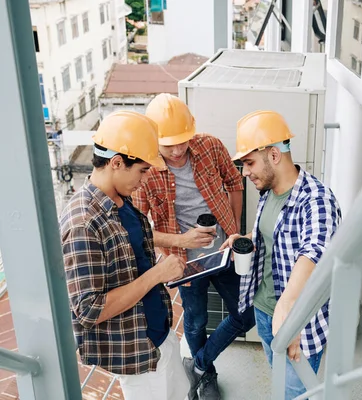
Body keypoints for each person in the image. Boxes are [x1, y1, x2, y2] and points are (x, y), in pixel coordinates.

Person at [131, 93, 255, 400]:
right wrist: (181, 241)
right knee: (196, 320)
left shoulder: (210, 146)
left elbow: (235, 183)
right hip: (185, 263)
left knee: (247, 312)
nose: (175, 151)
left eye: (182, 141)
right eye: (167, 144)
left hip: (225, 252)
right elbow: (140, 227)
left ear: (193, 130)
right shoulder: (145, 172)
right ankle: (207, 376)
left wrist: (235, 230)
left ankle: (198, 365)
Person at [60, 111, 188, 400]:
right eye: (142, 170)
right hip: (137, 358)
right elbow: (90, 309)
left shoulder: (119, 200)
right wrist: (157, 274)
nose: (144, 180)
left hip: (157, 335)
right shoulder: (83, 222)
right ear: (116, 162)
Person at [221, 110, 342, 400]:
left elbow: (314, 251)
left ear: (274, 155)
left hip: (297, 320)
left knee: (293, 394)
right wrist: (247, 238)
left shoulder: (317, 200)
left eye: (249, 163)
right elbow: (276, 234)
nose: (244, 172)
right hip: (265, 310)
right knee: (279, 382)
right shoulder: (270, 192)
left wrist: (288, 306)